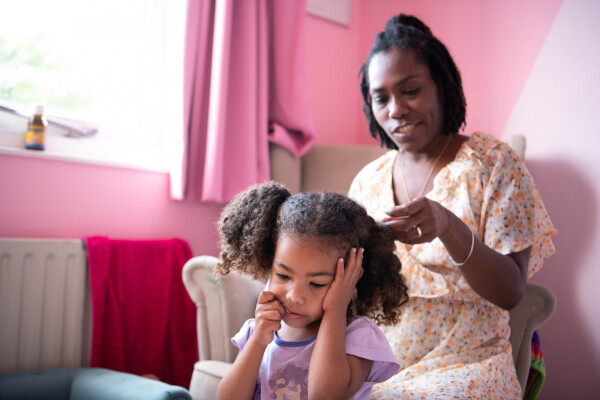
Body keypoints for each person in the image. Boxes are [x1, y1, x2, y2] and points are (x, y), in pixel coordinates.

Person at [350, 14, 557, 399]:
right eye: (381, 98)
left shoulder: (492, 164)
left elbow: (512, 290)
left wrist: (450, 226)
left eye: (410, 90)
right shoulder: (368, 180)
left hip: (468, 363)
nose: (395, 109)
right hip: (376, 361)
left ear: (442, 87)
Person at [214, 181, 408, 400]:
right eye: (283, 276)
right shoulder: (257, 331)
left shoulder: (357, 336)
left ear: (351, 279)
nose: (294, 296)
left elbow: (324, 396)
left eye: (317, 284)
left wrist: (336, 310)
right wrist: (258, 341)